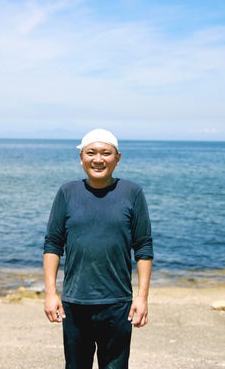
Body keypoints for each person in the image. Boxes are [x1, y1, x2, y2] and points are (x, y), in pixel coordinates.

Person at [43, 128, 153, 369]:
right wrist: (51, 293)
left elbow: (143, 246)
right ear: (81, 157)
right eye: (91, 152)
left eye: (106, 153)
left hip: (118, 303)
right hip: (75, 303)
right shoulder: (67, 192)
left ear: (118, 158)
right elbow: (53, 243)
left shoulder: (132, 193)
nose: (98, 159)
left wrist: (142, 298)